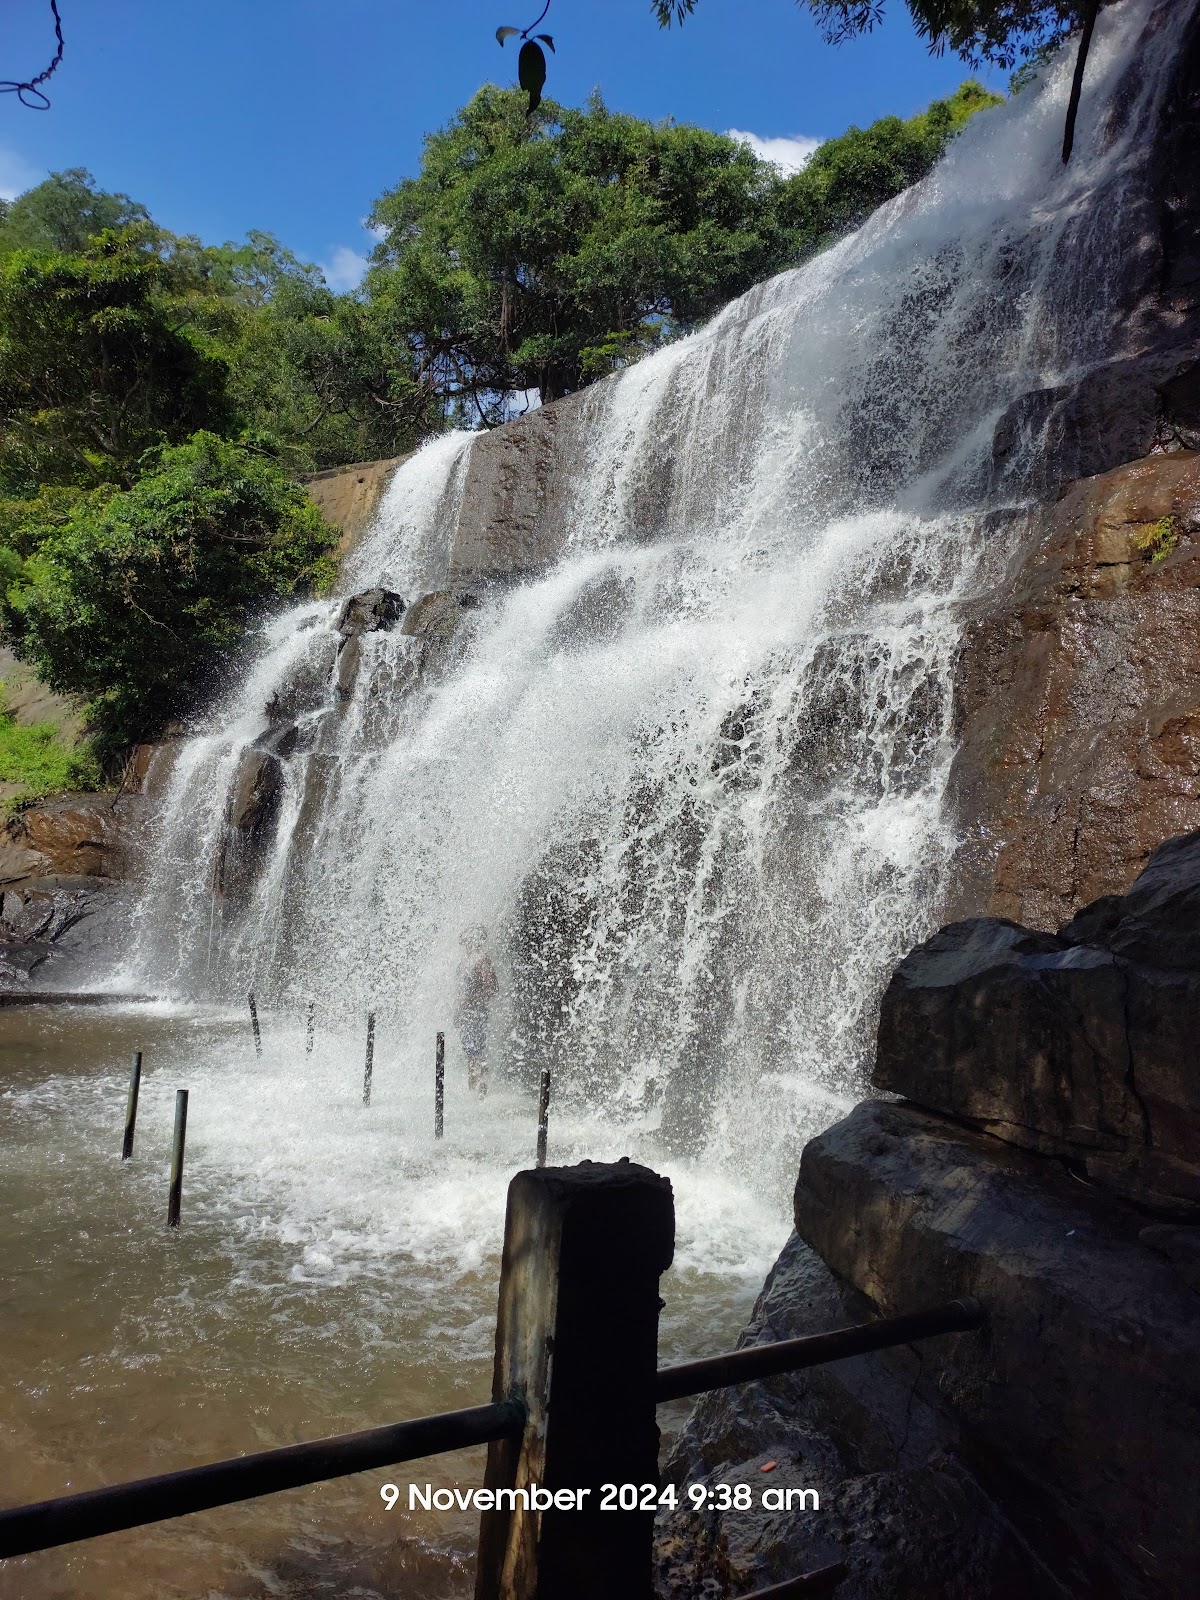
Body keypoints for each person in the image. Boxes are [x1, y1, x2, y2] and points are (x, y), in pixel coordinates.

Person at [455, 927, 498, 1096]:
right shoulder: (465, 960)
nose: (465, 942)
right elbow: (460, 990)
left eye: (468, 939)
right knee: (471, 1055)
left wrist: (470, 999)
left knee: (479, 1054)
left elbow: (492, 988)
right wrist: (458, 1009)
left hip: (477, 1013)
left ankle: (482, 1092)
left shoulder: (482, 961)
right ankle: (472, 1093)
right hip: (466, 1014)